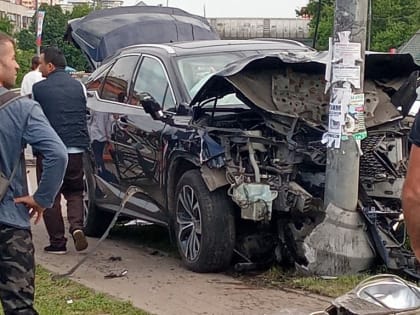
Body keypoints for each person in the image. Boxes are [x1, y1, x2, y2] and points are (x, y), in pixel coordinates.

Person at [0, 32, 68, 314]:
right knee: (19, 308)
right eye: (12, 58)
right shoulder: (21, 108)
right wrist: (42, 198)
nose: (17, 66)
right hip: (8, 221)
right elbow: (57, 154)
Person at [33, 47, 90, 254]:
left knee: (50, 195)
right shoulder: (79, 87)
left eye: (41, 64)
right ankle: (76, 227)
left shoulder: (39, 89)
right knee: (75, 192)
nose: (39, 69)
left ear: (50, 66)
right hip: (76, 149)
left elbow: (35, 118)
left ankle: (57, 243)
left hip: (50, 151)